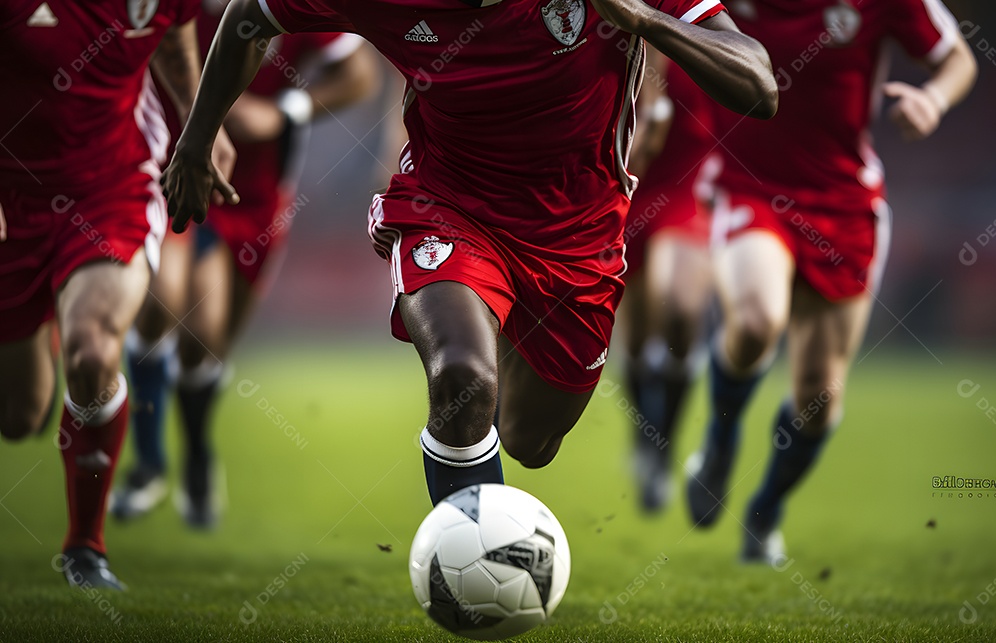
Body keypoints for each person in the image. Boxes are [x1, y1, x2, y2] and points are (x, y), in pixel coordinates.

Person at [162, 0, 778, 507]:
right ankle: (476, 572)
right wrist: (197, 136)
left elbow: (759, 85)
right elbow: (250, 16)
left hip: (577, 236)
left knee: (531, 440)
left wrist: (645, 22)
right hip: (447, 205)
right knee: (463, 377)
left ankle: (502, 344)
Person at [685, 0, 977, 562]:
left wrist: (932, 101)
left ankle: (765, 512)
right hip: (750, 186)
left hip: (843, 204)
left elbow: (958, 58)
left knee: (819, 395)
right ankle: (720, 444)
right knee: (757, 319)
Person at [110, 6, 377, 527]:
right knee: (163, 300)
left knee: (206, 344)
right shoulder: (165, 8)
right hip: (168, 173)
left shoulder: (281, 6)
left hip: (255, 196)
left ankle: (198, 455)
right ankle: (146, 462)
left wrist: (285, 111)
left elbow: (359, 73)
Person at [0, 0, 235, 588]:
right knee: (20, 414)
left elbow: (177, 48)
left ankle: (85, 549)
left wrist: (202, 126)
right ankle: (51, 309)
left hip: (111, 188)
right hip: (10, 196)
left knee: (93, 352)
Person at [621, 53, 718, 512]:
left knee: (680, 310)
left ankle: (665, 444)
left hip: (685, 186)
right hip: (623, 188)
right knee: (637, 339)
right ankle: (645, 435)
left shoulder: (704, 24)